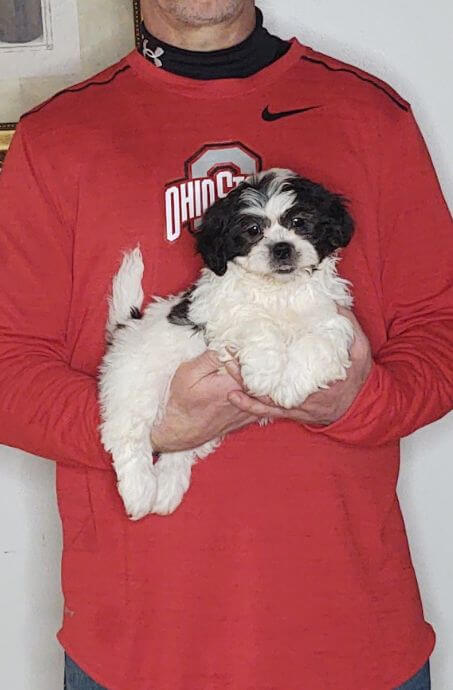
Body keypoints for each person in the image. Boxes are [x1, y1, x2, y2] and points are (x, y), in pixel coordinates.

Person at [0, 1, 451, 688]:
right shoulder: (56, 136)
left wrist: (362, 402)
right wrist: (149, 423)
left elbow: (439, 329)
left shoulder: (370, 114)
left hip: (352, 637)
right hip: (138, 650)